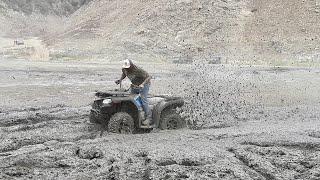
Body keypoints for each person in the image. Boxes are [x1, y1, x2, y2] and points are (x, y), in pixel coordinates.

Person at [115, 59, 152, 125]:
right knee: (131, 99)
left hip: (144, 85)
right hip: (134, 85)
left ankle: (149, 118)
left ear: (131, 66)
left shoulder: (138, 70)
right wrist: (120, 80)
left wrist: (142, 84)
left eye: (128, 68)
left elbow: (148, 77)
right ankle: (135, 113)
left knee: (144, 100)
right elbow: (124, 74)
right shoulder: (124, 69)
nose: (127, 69)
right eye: (126, 68)